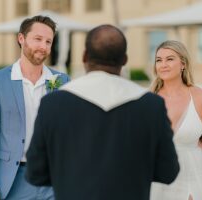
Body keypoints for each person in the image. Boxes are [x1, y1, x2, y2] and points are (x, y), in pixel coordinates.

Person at [25, 24, 180, 200]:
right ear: (124, 59)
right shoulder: (152, 105)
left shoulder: (53, 104)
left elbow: (35, 173)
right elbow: (169, 172)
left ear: (84, 56)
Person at [0, 15, 70, 200]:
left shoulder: (61, 81)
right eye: (38, 39)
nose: (43, 46)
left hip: (53, 179)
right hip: (13, 180)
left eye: (48, 41)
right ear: (21, 38)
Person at [149, 40, 202, 200]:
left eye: (170, 59)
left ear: (183, 64)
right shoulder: (149, 100)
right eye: (159, 60)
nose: (163, 64)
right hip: (157, 180)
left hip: (192, 175)